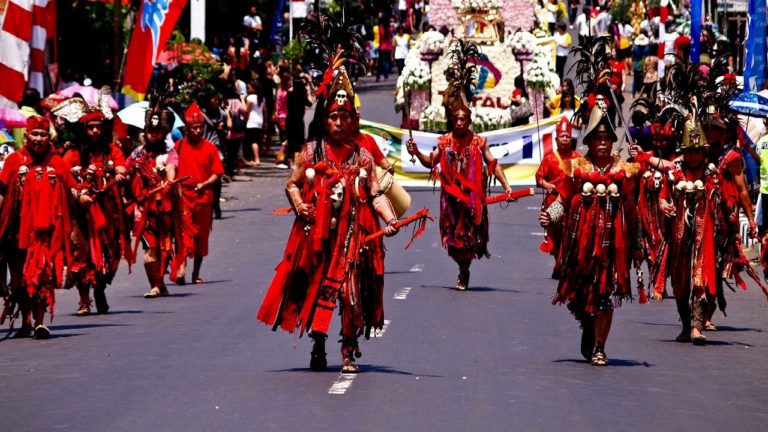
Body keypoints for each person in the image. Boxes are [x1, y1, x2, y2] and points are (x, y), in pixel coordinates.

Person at [257, 62, 399, 374]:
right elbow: (292, 184)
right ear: (325, 119)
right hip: (316, 240)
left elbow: (375, 194)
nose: (338, 122)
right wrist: (299, 205)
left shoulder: (363, 157)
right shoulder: (310, 152)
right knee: (317, 292)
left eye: (344, 117)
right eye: (333, 117)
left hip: (352, 237)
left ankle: (348, 350)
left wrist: (389, 219)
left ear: (353, 120)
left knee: (349, 294)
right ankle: (318, 344)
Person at [406, 40, 514, 290]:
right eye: (457, 119)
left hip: (473, 199)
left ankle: (464, 271)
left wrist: (506, 186)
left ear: (470, 119)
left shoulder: (479, 140)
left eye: (465, 119)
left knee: (470, 239)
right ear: (453, 119)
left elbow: (493, 163)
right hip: (451, 200)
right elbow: (429, 163)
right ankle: (461, 267)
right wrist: (417, 153)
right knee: (454, 242)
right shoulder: (443, 142)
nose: (461, 123)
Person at [540, 107, 640, 365]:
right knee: (580, 296)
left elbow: (630, 207)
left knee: (605, 295)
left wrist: (637, 242)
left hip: (611, 245)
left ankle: (599, 347)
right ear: (590, 142)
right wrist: (550, 215)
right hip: (579, 245)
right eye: (598, 139)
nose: (603, 144)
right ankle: (588, 325)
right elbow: (563, 197)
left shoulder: (623, 170)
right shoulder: (576, 168)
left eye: (607, 139)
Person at [0, 116, 77, 339]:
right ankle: (26, 321)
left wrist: (79, 196)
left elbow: (72, 187)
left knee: (42, 276)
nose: (38, 139)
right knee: (19, 279)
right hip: (15, 229)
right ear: (26, 136)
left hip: (45, 233)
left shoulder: (57, 161)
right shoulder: (15, 159)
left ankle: (40, 322)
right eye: (35, 134)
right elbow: (3, 191)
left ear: (49, 137)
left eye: (43, 134)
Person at [649, 120, 721, 344]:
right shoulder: (674, 172)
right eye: (689, 152)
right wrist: (665, 206)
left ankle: (697, 327)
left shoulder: (710, 172)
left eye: (697, 152)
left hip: (703, 234)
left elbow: (719, 201)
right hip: (679, 233)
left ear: (703, 152)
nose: (693, 157)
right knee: (680, 281)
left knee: (700, 278)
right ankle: (685, 324)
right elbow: (662, 198)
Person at [65, 110, 133, 316]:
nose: (94, 131)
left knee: (111, 252)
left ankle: (100, 287)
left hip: (109, 210)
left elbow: (123, 168)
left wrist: (121, 174)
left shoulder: (112, 150)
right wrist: (79, 191)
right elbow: (64, 177)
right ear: (84, 130)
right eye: (90, 127)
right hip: (82, 212)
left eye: (98, 126)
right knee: (81, 252)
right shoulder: (73, 154)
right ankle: (84, 300)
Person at [125, 91, 191, 299]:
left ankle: (160, 282)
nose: (153, 135)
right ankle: (155, 284)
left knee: (164, 248)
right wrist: (119, 173)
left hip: (165, 209)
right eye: (150, 131)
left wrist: (169, 177)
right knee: (149, 250)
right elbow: (125, 169)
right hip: (143, 210)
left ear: (164, 133)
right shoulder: (137, 154)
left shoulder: (170, 153)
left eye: (157, 131)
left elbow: (172, 167)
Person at [174, 104, 224, 285]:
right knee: (183, 233)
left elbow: (217, 173)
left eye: (199, 127)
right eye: (194, 128)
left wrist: (204, 184)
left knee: (201, 236)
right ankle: (182, 269)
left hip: (204, 198)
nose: (197, 131)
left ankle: (195, 273)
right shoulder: (178, 146)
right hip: (183, 197)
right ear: (186, 129)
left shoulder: (210, 148)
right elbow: (171, 167)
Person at [535, 117, 581, 276]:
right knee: (556, 234)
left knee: (572, 233)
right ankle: (558, 263)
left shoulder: (577, 158)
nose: (564, 139)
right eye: (561, 136)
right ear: (556, 139)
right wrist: (547, 185)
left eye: (567, 136)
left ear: (571, 138)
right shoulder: (549, 158)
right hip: (554, 200)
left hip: (572, 201)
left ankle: (567, 263)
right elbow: (539, 178)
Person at [244, 80, 266, 166]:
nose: (247, 90)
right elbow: (265, 111)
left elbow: (246, 111)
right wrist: (265, 122)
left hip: (251, 121)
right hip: (259, 121)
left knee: (253, 141)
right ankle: (255, 158)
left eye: (249, 88)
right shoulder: (261, 98)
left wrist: (242, 100)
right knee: (256, 140)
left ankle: (257, 159)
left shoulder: (250, 98)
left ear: (254, 88)